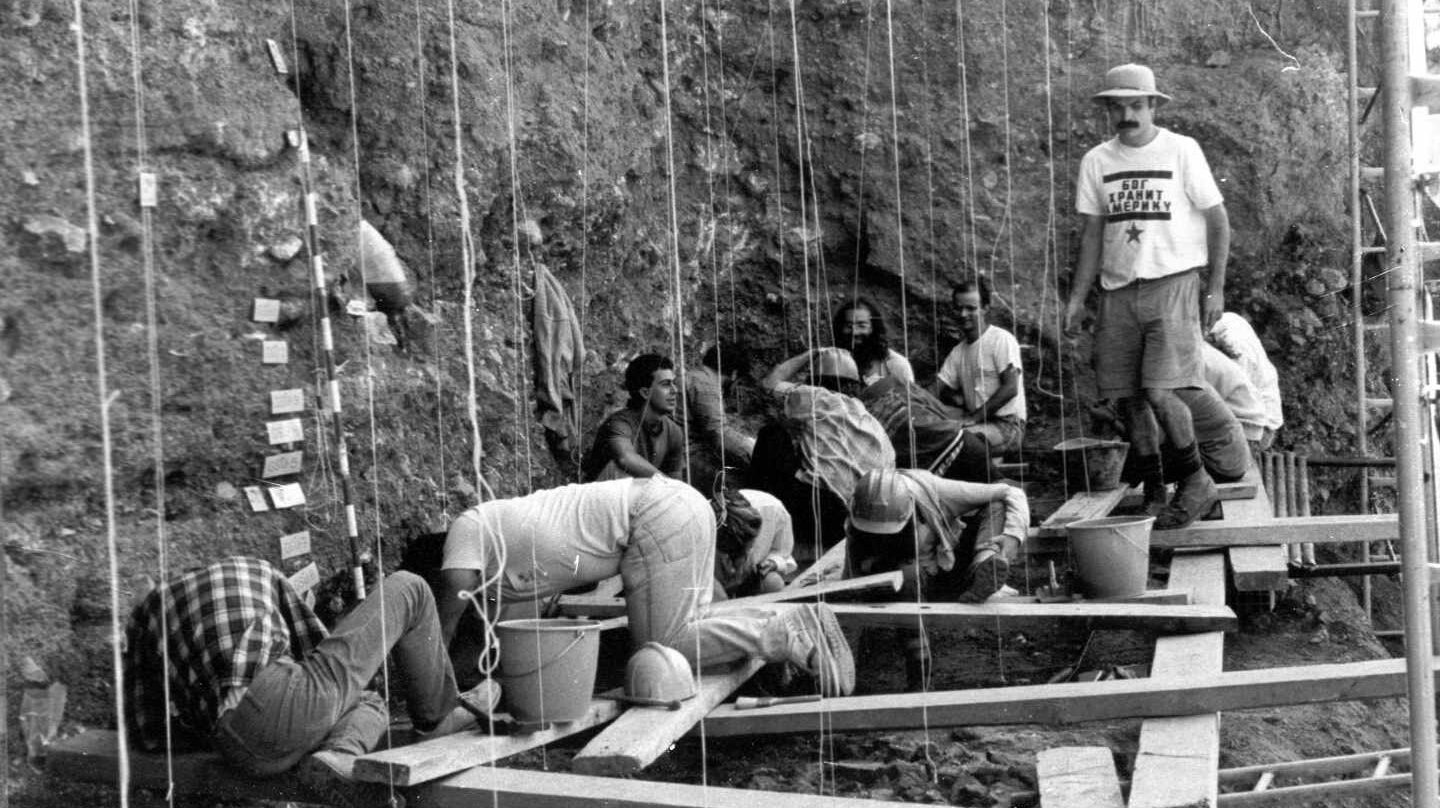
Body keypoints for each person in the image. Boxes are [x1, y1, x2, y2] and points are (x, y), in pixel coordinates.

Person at [437, 477, 854, 697]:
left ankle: (782, 635)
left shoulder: (465, 534)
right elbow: (507, 642)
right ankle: (784, 619)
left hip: (653, 516)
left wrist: (440, 692)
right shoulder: (501, 540)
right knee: (693, 624)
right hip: (674, 503)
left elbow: (445, 628)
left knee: (664, 647)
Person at [123, 557, 481, 799]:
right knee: (408, 587)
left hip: (237, 747)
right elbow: (314, 641)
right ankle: (438, 718)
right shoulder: (252, 569)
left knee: (368, 702)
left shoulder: (147, 614)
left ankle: (336, 758)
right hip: (279, 702)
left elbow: (147, 731)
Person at [1063, 63, 1232, 530]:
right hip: (1118, 291)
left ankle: (1196, 481)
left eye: (1135, 105)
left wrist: (1214, 288)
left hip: (1174, 283)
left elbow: (1218, 221)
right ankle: (1156, 487)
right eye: (1117, 107)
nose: (1126, 115)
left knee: (1161, 391)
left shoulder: (1181, 151)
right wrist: (1078, 298)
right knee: (1128, 397)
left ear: (1153, 106)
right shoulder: (1097, 160)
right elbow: (1093, 234)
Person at [845, 469, 1030, 691]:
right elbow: (851, 575)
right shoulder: (860, 511)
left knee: (998, 505)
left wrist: (1012, 536)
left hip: (943, 572)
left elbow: (1012, 492)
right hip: (897, 586)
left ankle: (984, 566)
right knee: (908, 575)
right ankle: (920, 675)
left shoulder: (931, 489)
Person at [749, 347, 896, 559]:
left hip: (817, 511)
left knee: (772, 434)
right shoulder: (873, 425)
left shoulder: (817, 398)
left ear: (815, 382)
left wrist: (810, 353)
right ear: (854, 386)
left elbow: (770, 383)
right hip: (855, 522)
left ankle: (755, 515)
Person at [935, 277, 1027, 456]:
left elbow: (1010, 388)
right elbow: (936, 388)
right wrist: (910, 399)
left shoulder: (1000, 339)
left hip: (1007, 426)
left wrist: (973, 418)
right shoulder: (958, 352)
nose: (963, 314)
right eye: (959, 308)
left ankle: (998, 480)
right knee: (937, 431)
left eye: (971, 308)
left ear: (985, 308)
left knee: (958, 441)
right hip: (979, 424)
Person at [581, 353, 685, 481]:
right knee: (620, 470)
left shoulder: (674, 431)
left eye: (674, 383)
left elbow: (676, 479)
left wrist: (675, 489)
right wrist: (667, 484)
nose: (675, 390)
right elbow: (625, 459)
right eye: (666, 384)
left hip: (639, 496)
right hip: (601, 496)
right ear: (645, 393)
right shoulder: (619, 423)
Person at [680, 340, 758, 491]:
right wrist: (755, 451)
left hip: (683, 453)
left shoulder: (695, 376)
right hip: (686, 458)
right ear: (734, 374)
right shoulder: (706, 384)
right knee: (738, 482)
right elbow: (719, 435)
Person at [1210, 311, 1282, 450]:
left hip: (1258, 423)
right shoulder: (1227, 318)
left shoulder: (1235, 350)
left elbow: (1237, 397)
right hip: (1250, 408)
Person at [714, 487, 799, 597]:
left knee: (773, 583)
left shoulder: (774, 511)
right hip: (713, 578)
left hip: (753, 576)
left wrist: (772, 563)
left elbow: (783, 553)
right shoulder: (708, 518)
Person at [833, 297, 915, 388]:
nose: (854, 332)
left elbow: (910, 399)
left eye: (862, 326)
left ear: (874, 328)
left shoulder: (896, 364)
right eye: (848, 326)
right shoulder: (831, 363)